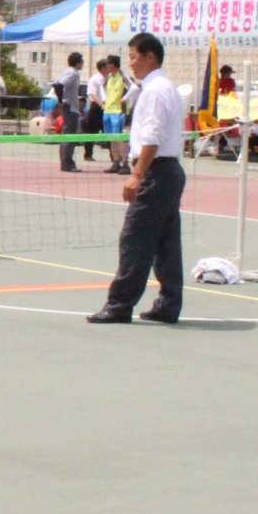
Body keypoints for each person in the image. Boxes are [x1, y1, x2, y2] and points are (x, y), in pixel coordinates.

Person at [87, 32, 186, 324]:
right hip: (168, 171)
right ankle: (168, 304)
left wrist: (137, 175)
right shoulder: (163, 87)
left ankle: (119, 305)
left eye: (133, 56)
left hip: (157, 171)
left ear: (149, 57)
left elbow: (152, 137)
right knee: (166, 241)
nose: (130, 63)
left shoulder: (155, 90)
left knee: (135, 238)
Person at [53, 51, 87, 172]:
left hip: (70, 106)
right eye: (81, 61)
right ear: (77, 63)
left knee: (66, 134)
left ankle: (65, 162)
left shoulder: (67, 72)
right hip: (70, 107)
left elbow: (56, 84)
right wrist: (60, 100)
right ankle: (67, 163)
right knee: (69, 135)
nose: (83, 63)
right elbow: (58, 85)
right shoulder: (72, 73)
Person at [99, 54, 131, 172]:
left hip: (118, 112)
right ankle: (116, 163)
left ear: (113, 65)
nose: (106, 66)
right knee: (111, 138)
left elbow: (134, 88)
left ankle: (125, 164)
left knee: (119, 138)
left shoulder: (122, 76)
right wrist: (104, 100)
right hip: (107, 111)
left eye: (108, 63)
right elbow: (101, 87)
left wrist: (125, 99)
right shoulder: (108, 78)